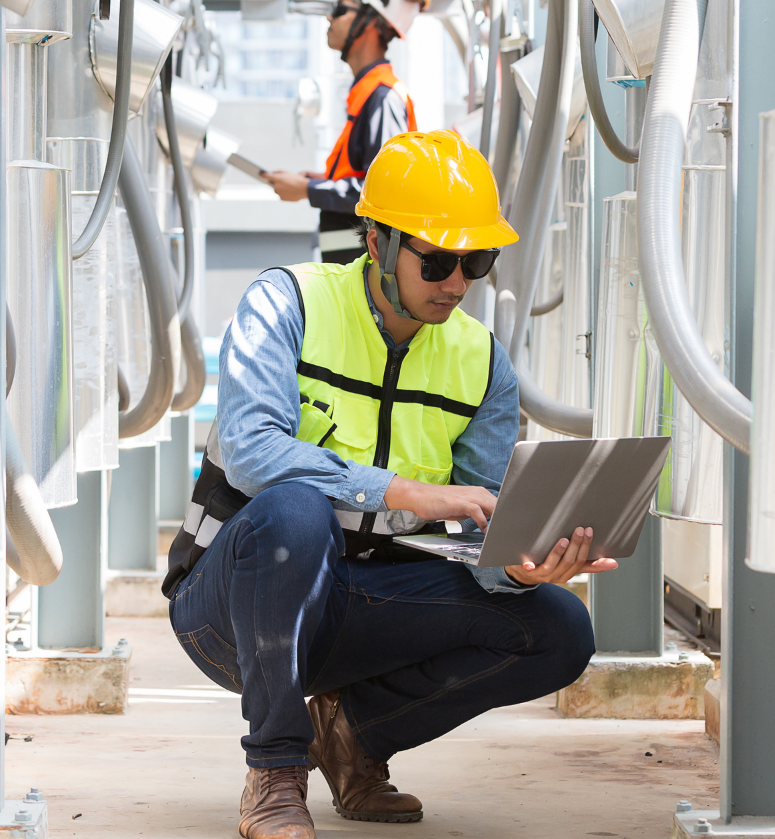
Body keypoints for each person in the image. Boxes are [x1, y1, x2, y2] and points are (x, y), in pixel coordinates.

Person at [164, 130, 615, 839]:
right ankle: (276, 774)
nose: (457, 283)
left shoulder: (481, 364)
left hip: (365, 608)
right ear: (375, 242)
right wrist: (403, 490)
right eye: (437, 259)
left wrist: (523, 570)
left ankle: (351, 740)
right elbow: (251, 451)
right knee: (293, 512)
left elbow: (481, 537)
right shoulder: (287, 305)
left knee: (557, 627)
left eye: (477, 260)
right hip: (231, 611)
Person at [261, 0, 429, 263]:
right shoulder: (368, 93)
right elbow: (364, 177)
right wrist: (320, 180)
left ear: (370, 22)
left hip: (366, 278)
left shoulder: (383, 97)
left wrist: (307, 189)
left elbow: (380, 193)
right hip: (353, 271)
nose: (329, 18)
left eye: (339, 9)